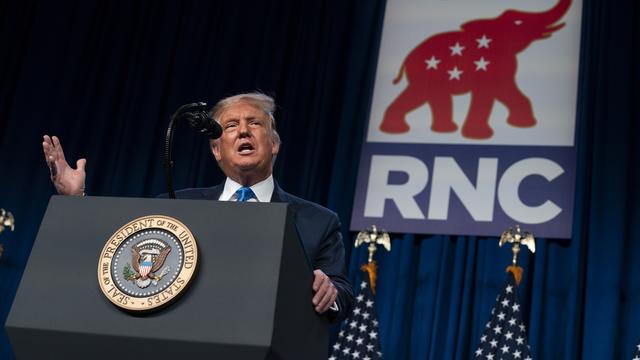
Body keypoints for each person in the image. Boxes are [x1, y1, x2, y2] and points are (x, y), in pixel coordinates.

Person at [42, 92, 354, 322]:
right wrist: (75, 202)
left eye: (255, 123)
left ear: (274, 143)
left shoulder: (319, 221)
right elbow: (116, 260)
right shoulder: (175, 206)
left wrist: (330, 293)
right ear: (216, 149)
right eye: (231, 125)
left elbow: (342, 294)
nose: (243, 131)